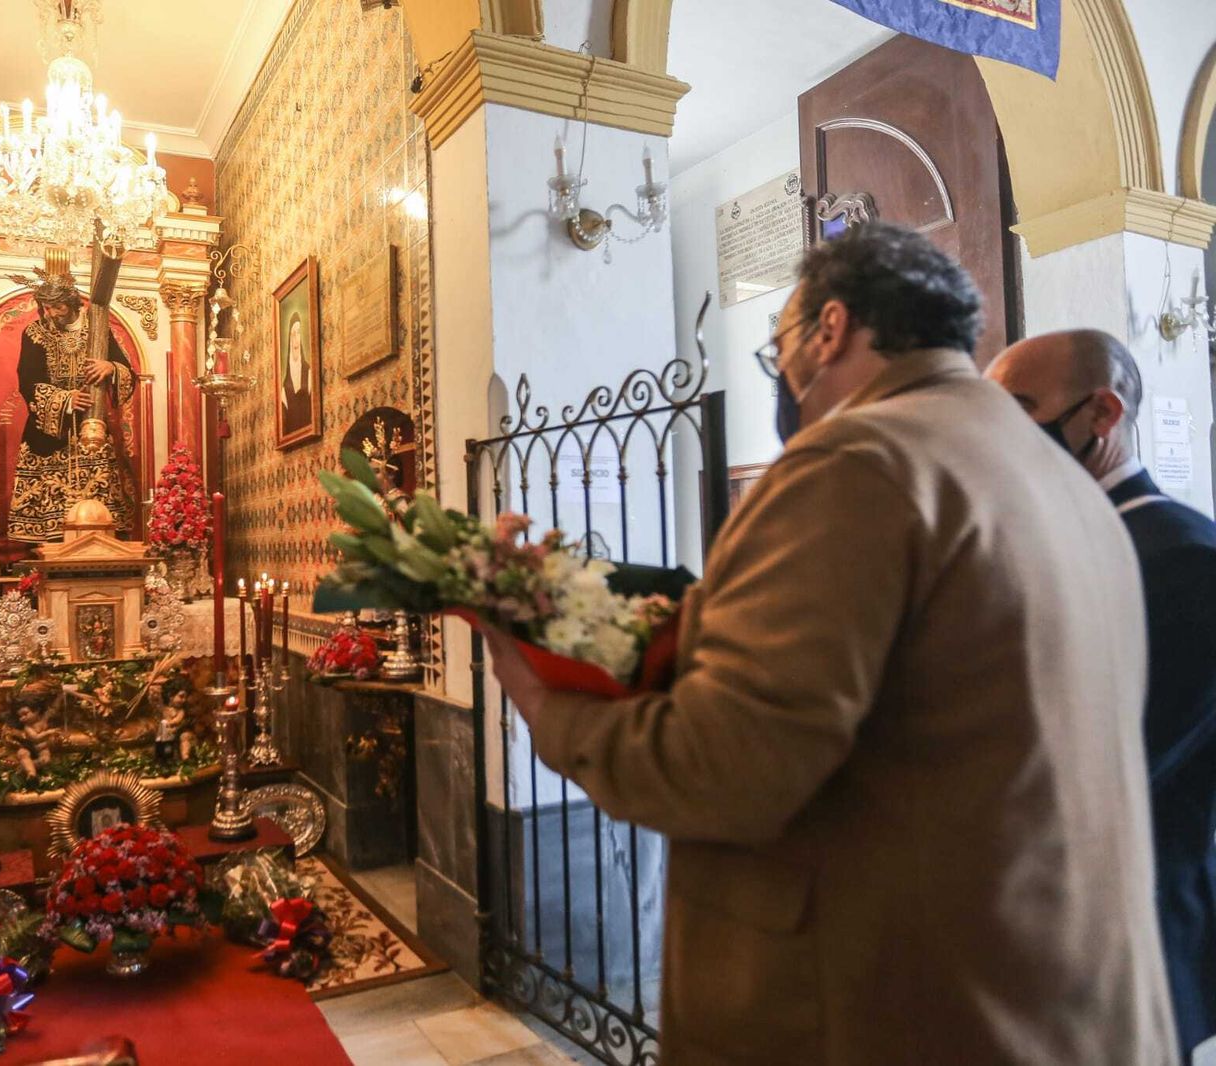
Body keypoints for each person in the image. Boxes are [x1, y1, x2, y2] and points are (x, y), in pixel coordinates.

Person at [483, 223, 1177, 1064]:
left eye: (778, 345)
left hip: (889, 1014)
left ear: (830, 329)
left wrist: (540, 700)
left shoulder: (858, 460)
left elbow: (722, 767)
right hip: (1051, 1003)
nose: (781, 375)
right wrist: (588, 601)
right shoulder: (1060, 483)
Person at [987, 330, 1216, 1062]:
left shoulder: (1184, 557)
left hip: (1126, 942)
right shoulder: (1052, 541)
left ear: (1102, 414)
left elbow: (1121, 762)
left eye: (1018, 411)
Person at [7, 252, 136, 541]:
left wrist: (110, 367)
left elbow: (129, 373)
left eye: (57, 306)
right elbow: (27, 382)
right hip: (50, 434)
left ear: (73, 301)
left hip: (92, 427)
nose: (52, 313)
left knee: (101, 509)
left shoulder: (98, 328)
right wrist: (64, 399)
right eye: (47, 307)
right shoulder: (35, 333)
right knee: (48, 523)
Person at [280, 311, 312, 437]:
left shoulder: (309, 373)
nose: (295, 338)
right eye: (293, 334)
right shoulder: (284, 387)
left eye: (298, 333)